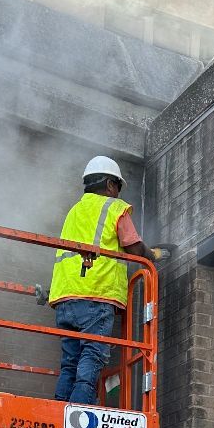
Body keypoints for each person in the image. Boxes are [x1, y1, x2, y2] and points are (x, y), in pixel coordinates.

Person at [49, 157, 155, 405]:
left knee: (70, 363)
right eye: (118, 186)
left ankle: (58, 411)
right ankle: (78, 413)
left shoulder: (74, 211)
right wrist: (154, 256)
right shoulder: (114, 208)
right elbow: (136, 251)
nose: (118, 193)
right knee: (92, 356)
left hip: (65, 298)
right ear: (110, 184)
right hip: (96, 295)